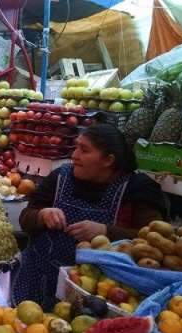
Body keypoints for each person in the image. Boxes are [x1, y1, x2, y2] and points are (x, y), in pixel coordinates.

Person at [12, 123, 167, 310]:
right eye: (76, 147)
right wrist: (41, 215)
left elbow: (154, 244)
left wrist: (106, 231)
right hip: (37, 280)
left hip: (97, 295)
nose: (74, 155)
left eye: (84, 150)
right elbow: (25, 218)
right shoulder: (60, 177)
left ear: (108, 160)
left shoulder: (137, 189)